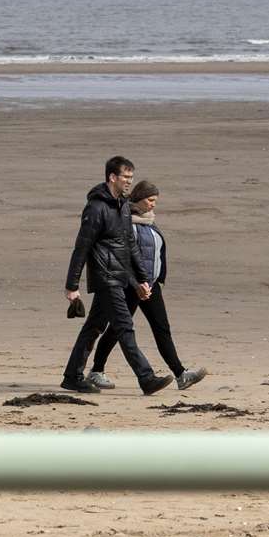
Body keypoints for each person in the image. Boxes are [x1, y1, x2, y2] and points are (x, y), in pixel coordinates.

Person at [62, 156, 175, 396]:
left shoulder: (123, 206)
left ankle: (72, 376)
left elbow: (130, 245)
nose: (128, 182)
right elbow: (81, 247)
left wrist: (141, 279)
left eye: (131, 178)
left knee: (93, 327)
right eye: (125, 177)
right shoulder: (96, 208)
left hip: (121, 276)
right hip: (106, 277)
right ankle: (146, 378)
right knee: (125, 326)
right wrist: (72, 286)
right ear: (112, 177)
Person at [86, 180, 209, 393]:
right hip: (129, 286)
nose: (153, 204)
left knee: (162, 328)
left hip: (151, 285)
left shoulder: (150, 222)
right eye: (150, 200)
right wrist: (135, 283)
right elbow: (123, 258)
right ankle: (96, 371)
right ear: (138, 198)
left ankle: (181, 375)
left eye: (155, 201)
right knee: (117, 329)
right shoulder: (126, 222)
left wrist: (156, 278)